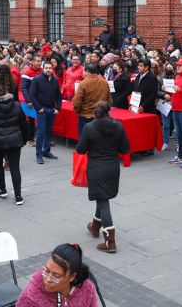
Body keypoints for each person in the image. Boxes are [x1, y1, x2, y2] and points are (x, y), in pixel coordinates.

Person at [76, 101, 129, 253]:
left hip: (96, 168)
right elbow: (125, 149)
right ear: (109, 111)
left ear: (95, 113)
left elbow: (80, 149)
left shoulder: (89, 127)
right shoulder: (118, 126)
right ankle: (95, 227)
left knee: (103, 201)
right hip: (112, 167)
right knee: (102, 197)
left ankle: (110, 242)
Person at [0, 84, 29, 205]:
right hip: (15, 140)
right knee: (15, 167)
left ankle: (2, 189)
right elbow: (24, 124)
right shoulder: (17, 105)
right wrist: (24, 139)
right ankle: (18, 196)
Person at [16, 243, 99, 307]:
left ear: (72, 276)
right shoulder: (32, 294)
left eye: (56, 276)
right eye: (47, 271)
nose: (48, 279)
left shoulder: (87, 289)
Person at [29, 61, 62, 164]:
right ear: (43, 69)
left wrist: (58, 108)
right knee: (40, 132)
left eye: (50, 68)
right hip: (41, 110)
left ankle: (46, 151)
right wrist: (39, 108)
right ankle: (39, 154)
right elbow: (32, 96)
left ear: (52, 69)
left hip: (52, 109)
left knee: (49, 131)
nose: (48, 70)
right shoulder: (37, 80)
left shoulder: (55, 80)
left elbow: (59, 96)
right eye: (46, 68)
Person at [73, 63, 112, 136]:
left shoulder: (83, 83)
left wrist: (78, 111)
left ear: (87, 72)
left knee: (84, 139)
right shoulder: (104, 82)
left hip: (86, 115)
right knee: (99, 139)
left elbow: (76, 101)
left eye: (83, 71)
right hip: (100, 115)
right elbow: (109, 100)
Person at [20, 55, 43, 147]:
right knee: (31, 120)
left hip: (41, 99)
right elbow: (24, 87)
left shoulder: (42, 71)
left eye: (40, 61)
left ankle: (42, 138)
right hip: (32, 100)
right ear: (33, 62)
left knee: (42, 118)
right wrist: (28, 100)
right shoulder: (27, 72)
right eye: (37, 61)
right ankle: (30, 139)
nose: (39, 63)